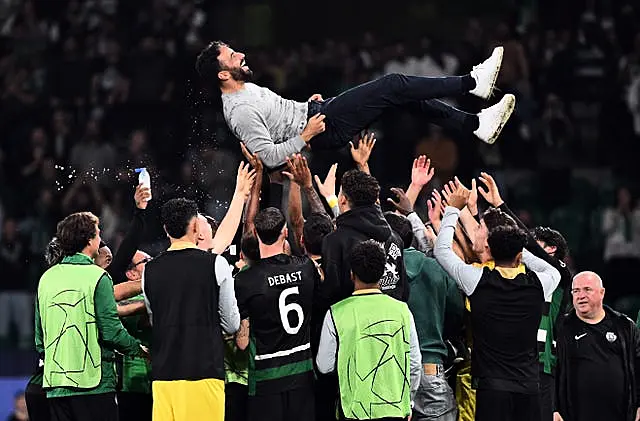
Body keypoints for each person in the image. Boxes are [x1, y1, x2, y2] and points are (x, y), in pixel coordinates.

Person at [196, 41, 516, 169]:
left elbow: (279, 117)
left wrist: (304, 107)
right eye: (232, 56)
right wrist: (305, 134)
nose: (239, 54)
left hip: (316, 115)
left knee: (400, 97)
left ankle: (476, 124)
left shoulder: (244, 89)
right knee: (392, 84)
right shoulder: (238, 110)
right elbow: (266, 157)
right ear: (224, 73)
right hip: (322, 130)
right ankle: (472, 83)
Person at [433, 184, 561, 421]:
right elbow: (552, 268)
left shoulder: (478, 280)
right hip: (529, 387)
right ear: (520, 255)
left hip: (492, 388)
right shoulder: (540, 283)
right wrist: (518, 248)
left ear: (489, 248)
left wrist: (452, 210)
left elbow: (441, 252)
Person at [35, 212, 146, 421]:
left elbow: (40, 339)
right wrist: (138, 349)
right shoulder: (97, 277)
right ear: (89, 240)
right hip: (93, 385)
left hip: (55, 385)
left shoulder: (46, 278)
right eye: (98, 233)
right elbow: (112, 332)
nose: (100, 237)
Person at [142, 198, 240, 421]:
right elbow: (232, 323)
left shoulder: (150, 270)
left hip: (163, 377)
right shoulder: (216, 264)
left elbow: (156, 319)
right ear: (195, 225)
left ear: (166, 229)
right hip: (204, 373)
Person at [316, 239, 422, 421]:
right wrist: (408, 401)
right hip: (395, 410)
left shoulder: (336, 313)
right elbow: (414, 364)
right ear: (382, 273)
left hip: (353, 412)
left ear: (351, 274)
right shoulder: (403, 311)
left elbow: (324, 366)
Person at [234, 207, 319, 421]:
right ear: (285, 233)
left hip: (266, 379)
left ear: (256, 234)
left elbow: (243, 343)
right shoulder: (306, 268)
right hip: (303, 375)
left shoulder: (245, 280)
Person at [384, 212, 463, 421]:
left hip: (391, 371)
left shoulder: (375, 275)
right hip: (430, 366)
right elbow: (457, 313)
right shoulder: (436, 268)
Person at [554, 271, 640, 421]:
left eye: (587, 289)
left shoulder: (624, 326)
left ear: (602, 292)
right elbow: (551, 371)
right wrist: (553, 408)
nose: (581, 296)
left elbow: (639, 367)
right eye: (576, 291)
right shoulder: (562, 328)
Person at [322, 169, 409, 306]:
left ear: (343, 199)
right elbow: (404, 292)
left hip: (354, 322)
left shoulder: (335, 241)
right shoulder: (395, 238)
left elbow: (332, 295)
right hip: (393, 321)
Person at [117, 250, 153, 421]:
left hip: (158, 379)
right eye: (146, 260)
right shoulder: (123, 300)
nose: (152, 262)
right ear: (131, 273)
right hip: (134, 383)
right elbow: (144, 321)